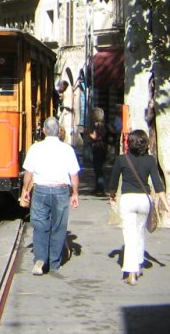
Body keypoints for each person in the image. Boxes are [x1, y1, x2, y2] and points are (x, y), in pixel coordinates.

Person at [108, 129, 170, 286]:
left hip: (128, 200)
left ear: (129, 143)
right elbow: (158, 184)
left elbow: (113, 181)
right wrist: (166, 204)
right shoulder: (150, 160)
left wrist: (112, 195)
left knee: (129, 236)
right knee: (140, 232)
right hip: (144, 200)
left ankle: (131, 272)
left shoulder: (122, 159)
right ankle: (138, 263)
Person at [19, 116, 80, 275]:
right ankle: (54, 263)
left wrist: (25, 190)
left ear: (45, 131)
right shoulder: (67, 150)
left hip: (40, 190)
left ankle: (40, 259)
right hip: (60, 191)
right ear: (58, 131)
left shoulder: (35, 148)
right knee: (59, 227)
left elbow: (28, 172)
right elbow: (74, 174)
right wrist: (75, 193)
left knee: (40, 225)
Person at [87, 107, 110, 195]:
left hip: (99, 148)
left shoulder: (100, 125)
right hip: (99, 148)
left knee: (98, 168)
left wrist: (88, 133)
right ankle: (98, 188)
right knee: (97, 169)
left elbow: (96, 137)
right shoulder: (99, 125)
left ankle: (101, 188)